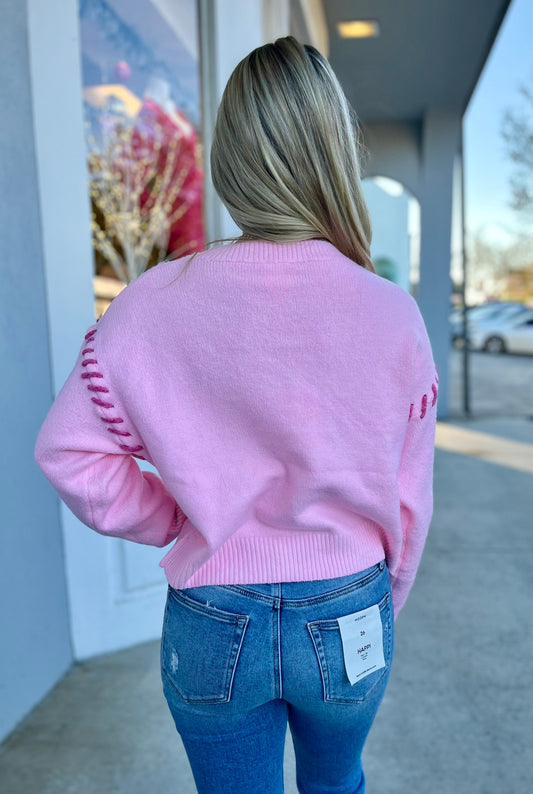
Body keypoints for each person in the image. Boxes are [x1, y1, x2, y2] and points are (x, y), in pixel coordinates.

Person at [35, 35, 437, 794]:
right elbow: (408, 501)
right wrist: (382, 602)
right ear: (332, 154)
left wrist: (182, 519)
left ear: (231, 157)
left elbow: (71, 454)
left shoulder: (153, 302)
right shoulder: (391, 316)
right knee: (337, 783)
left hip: (212, 613)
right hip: (348, 601)